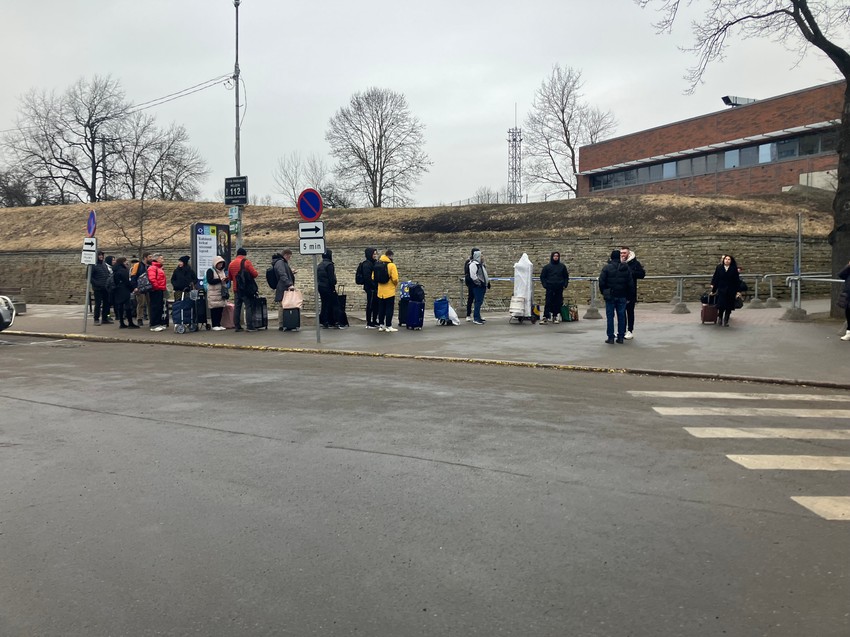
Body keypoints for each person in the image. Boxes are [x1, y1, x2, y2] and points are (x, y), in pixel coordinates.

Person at [599, 249, 634, 344]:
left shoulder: (607, 268)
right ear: (619, 257)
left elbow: (601, 282)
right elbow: (630, 284)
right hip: (622, 295)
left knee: (610, 317)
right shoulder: (625, 268)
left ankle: (610, 337)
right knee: (621, 316)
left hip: (610, 295)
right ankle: (621, 336)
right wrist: (629, 296)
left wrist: (604, 292)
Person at [227, 247, 259, 333]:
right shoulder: (246, 262)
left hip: (236, 289)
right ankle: (250, 326)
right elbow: (255, 274)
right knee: (248, 306)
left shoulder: (231, 264)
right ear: (244, 254)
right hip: (246, 289)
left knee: (237, 307)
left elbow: (230, 277)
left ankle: (237, 326)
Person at [621, 246, 646, 340]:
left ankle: (630, 330)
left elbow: (642, 274)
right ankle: (622, 330)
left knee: (630, 312)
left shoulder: (635, 263)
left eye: (624, 253)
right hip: (621, 291)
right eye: (621, 253)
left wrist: (630, 271)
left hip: (631, 291)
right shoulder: (618, 263)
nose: (622, 255)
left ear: (628, 253)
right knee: (621, 312)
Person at [711, 254, 742, 327]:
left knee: (729, 306)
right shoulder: (719, 268)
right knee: (721, 305)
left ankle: (726, 320)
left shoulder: (733, 269)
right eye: (726, 259)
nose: (727, 261)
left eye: (729, 259)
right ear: (723, 260)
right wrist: (713, 290)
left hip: (731, 290)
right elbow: (716, 279)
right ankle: (720, 318)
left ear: (731, 261)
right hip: (721, 289)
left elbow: (737, 281)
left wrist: (738, 291)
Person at [539, 251, 570, 324]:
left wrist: (565, 284)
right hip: (550, 286)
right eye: (554, 256)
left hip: (559, 287)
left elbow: (566, 276)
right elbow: (542, 277)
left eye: (557, 256)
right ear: (552, 257)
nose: (556, 257)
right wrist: (545, 285)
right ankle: (545, 316)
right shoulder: (547, 267)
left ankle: (555, 316)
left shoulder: (562, 267)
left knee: (557, 302)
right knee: (548, 301)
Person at [374, 249, 399, 332]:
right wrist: (395, 285)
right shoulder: (391, 265)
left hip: (380, 291)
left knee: (381, 309)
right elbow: (395, 278)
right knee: (389, 308)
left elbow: (373, 277)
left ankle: (381, 325)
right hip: (389, 291)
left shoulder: (377, 264)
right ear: (391, 256)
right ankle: (389, 325)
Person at [273, 249, 297, 331]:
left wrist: (291, 272)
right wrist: (289, 284)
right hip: (283, 287)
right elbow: (282, 274)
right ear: (285, 255)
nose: (289, 258)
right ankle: (282, 324)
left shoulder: (281, 262)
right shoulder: (280, 263)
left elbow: (284, 273)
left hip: (284, 286)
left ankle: (286, 323)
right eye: (289, 256)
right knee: (282, 305)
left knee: (284, 305)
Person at [112, 256, 138, 329]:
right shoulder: (123, 270)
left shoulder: (116, 270)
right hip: (124, 290)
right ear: (122, 262)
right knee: (128, 306)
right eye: (126, 261)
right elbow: (127, 281)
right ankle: (130, 322)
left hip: (118, 289)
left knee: (120, 306)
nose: (127, 262)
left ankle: (122, 322)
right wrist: (132, 289)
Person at [316, 249, 339, 329]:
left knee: (324, 303)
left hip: (321, 287)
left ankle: (323, 320)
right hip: (328, 287)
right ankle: (329, 320)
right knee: (330, 304)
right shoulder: (329, 265)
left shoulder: (320, 265)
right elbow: (331, 278)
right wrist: (333, 286)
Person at [357, 248, 379, 328]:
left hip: (375, 287)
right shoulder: (367, 264)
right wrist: (373, 285)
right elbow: (367, 278)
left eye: (376, 254)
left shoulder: (374, 263)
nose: (375, 255)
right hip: (370, 288)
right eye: (374, 254)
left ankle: (374, 321)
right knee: (370, 304)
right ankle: (369, 322)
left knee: (376, 304)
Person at [206, 255, 229, 331]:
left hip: (220, 293)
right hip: (213, 293)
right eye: (219, 264)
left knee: (220, 309)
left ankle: (219, 324)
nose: (220, 265)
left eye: (222, 264)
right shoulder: (210, 271)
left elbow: (225, 280)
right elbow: (210, 281)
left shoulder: (222, 271)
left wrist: (226, 280)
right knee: (214, 309)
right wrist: (220, 280)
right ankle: (214, 324)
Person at [90, 251, 113, 325]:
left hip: (106, 287)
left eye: (102, 255)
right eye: (99, 255)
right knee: (98, 304)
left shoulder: (104, 264)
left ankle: (105, 318)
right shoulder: (93, 265)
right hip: (98, 288)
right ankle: (96, 319)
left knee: (107, 304)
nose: (101, 256)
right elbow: (89, 277)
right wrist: (97, 283)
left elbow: (107, 274)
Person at [147, 254, 168, 332]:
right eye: (161, 258)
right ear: (157, 259)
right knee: (155, 307)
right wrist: (157, 287)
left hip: (160, 289)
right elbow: (152, 279)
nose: (163, 260)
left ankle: (158, 323)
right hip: (156, 290)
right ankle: (154, 324)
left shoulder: (158, 268)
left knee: (159, 307)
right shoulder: (152, 268)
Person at [468, 249, 489, 325]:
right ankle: (476, 318)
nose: (482, 257)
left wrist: (487, 283)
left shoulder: (481, 264)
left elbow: (484, 274)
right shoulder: (473, 264)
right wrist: (479, 283)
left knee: (479, 302)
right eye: (481, 256)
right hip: (477, 287)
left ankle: (478, 316)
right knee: (478, 302)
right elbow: (473, 276)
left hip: (482, 286)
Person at [131, 252, 152, 326]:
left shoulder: (150, 266)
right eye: (149, 257)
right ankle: (139, 318)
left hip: (149, 287)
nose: (151, 258)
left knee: (150, 303)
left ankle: (151, 318)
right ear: (145, 258)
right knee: (141, 303)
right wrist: (135, 287)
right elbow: (133, 276)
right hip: (140, 287)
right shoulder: (137, 265)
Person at [463, 247, 479, 322]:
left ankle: (477, 314)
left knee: (477, 299)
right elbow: (466, 272)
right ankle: (468, 314)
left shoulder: (478, 262)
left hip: (476, 283)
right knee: (470, 298)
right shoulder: (469, 262)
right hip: (471, 283)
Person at [840, 259, 850, 341]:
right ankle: (848, 333)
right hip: (848, 295)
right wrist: (848, 266)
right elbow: (841, 275)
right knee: (848, 313)